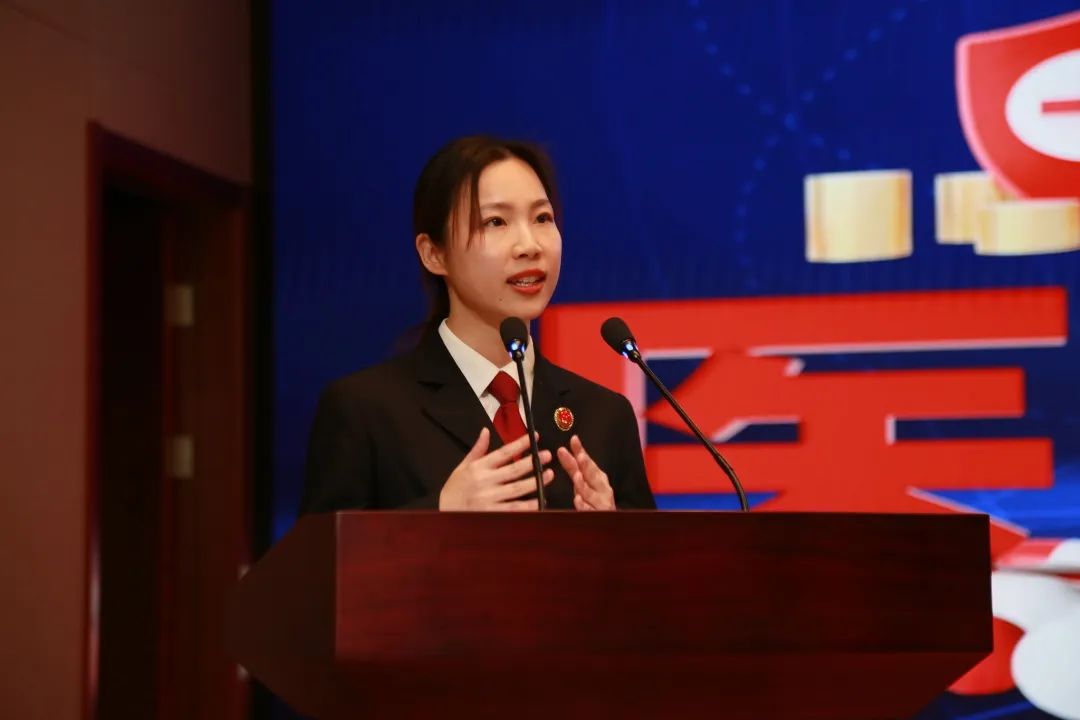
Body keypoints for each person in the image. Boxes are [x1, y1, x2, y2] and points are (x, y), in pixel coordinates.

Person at [300, 135, 655, 512]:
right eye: (495, 222)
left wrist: (613, 533)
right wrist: (442, 510)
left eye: (542, 218)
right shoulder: (365, 411)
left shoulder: (604, 416)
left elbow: (656, 552)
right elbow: (325, 550)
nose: (529, 245)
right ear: (434, 254)